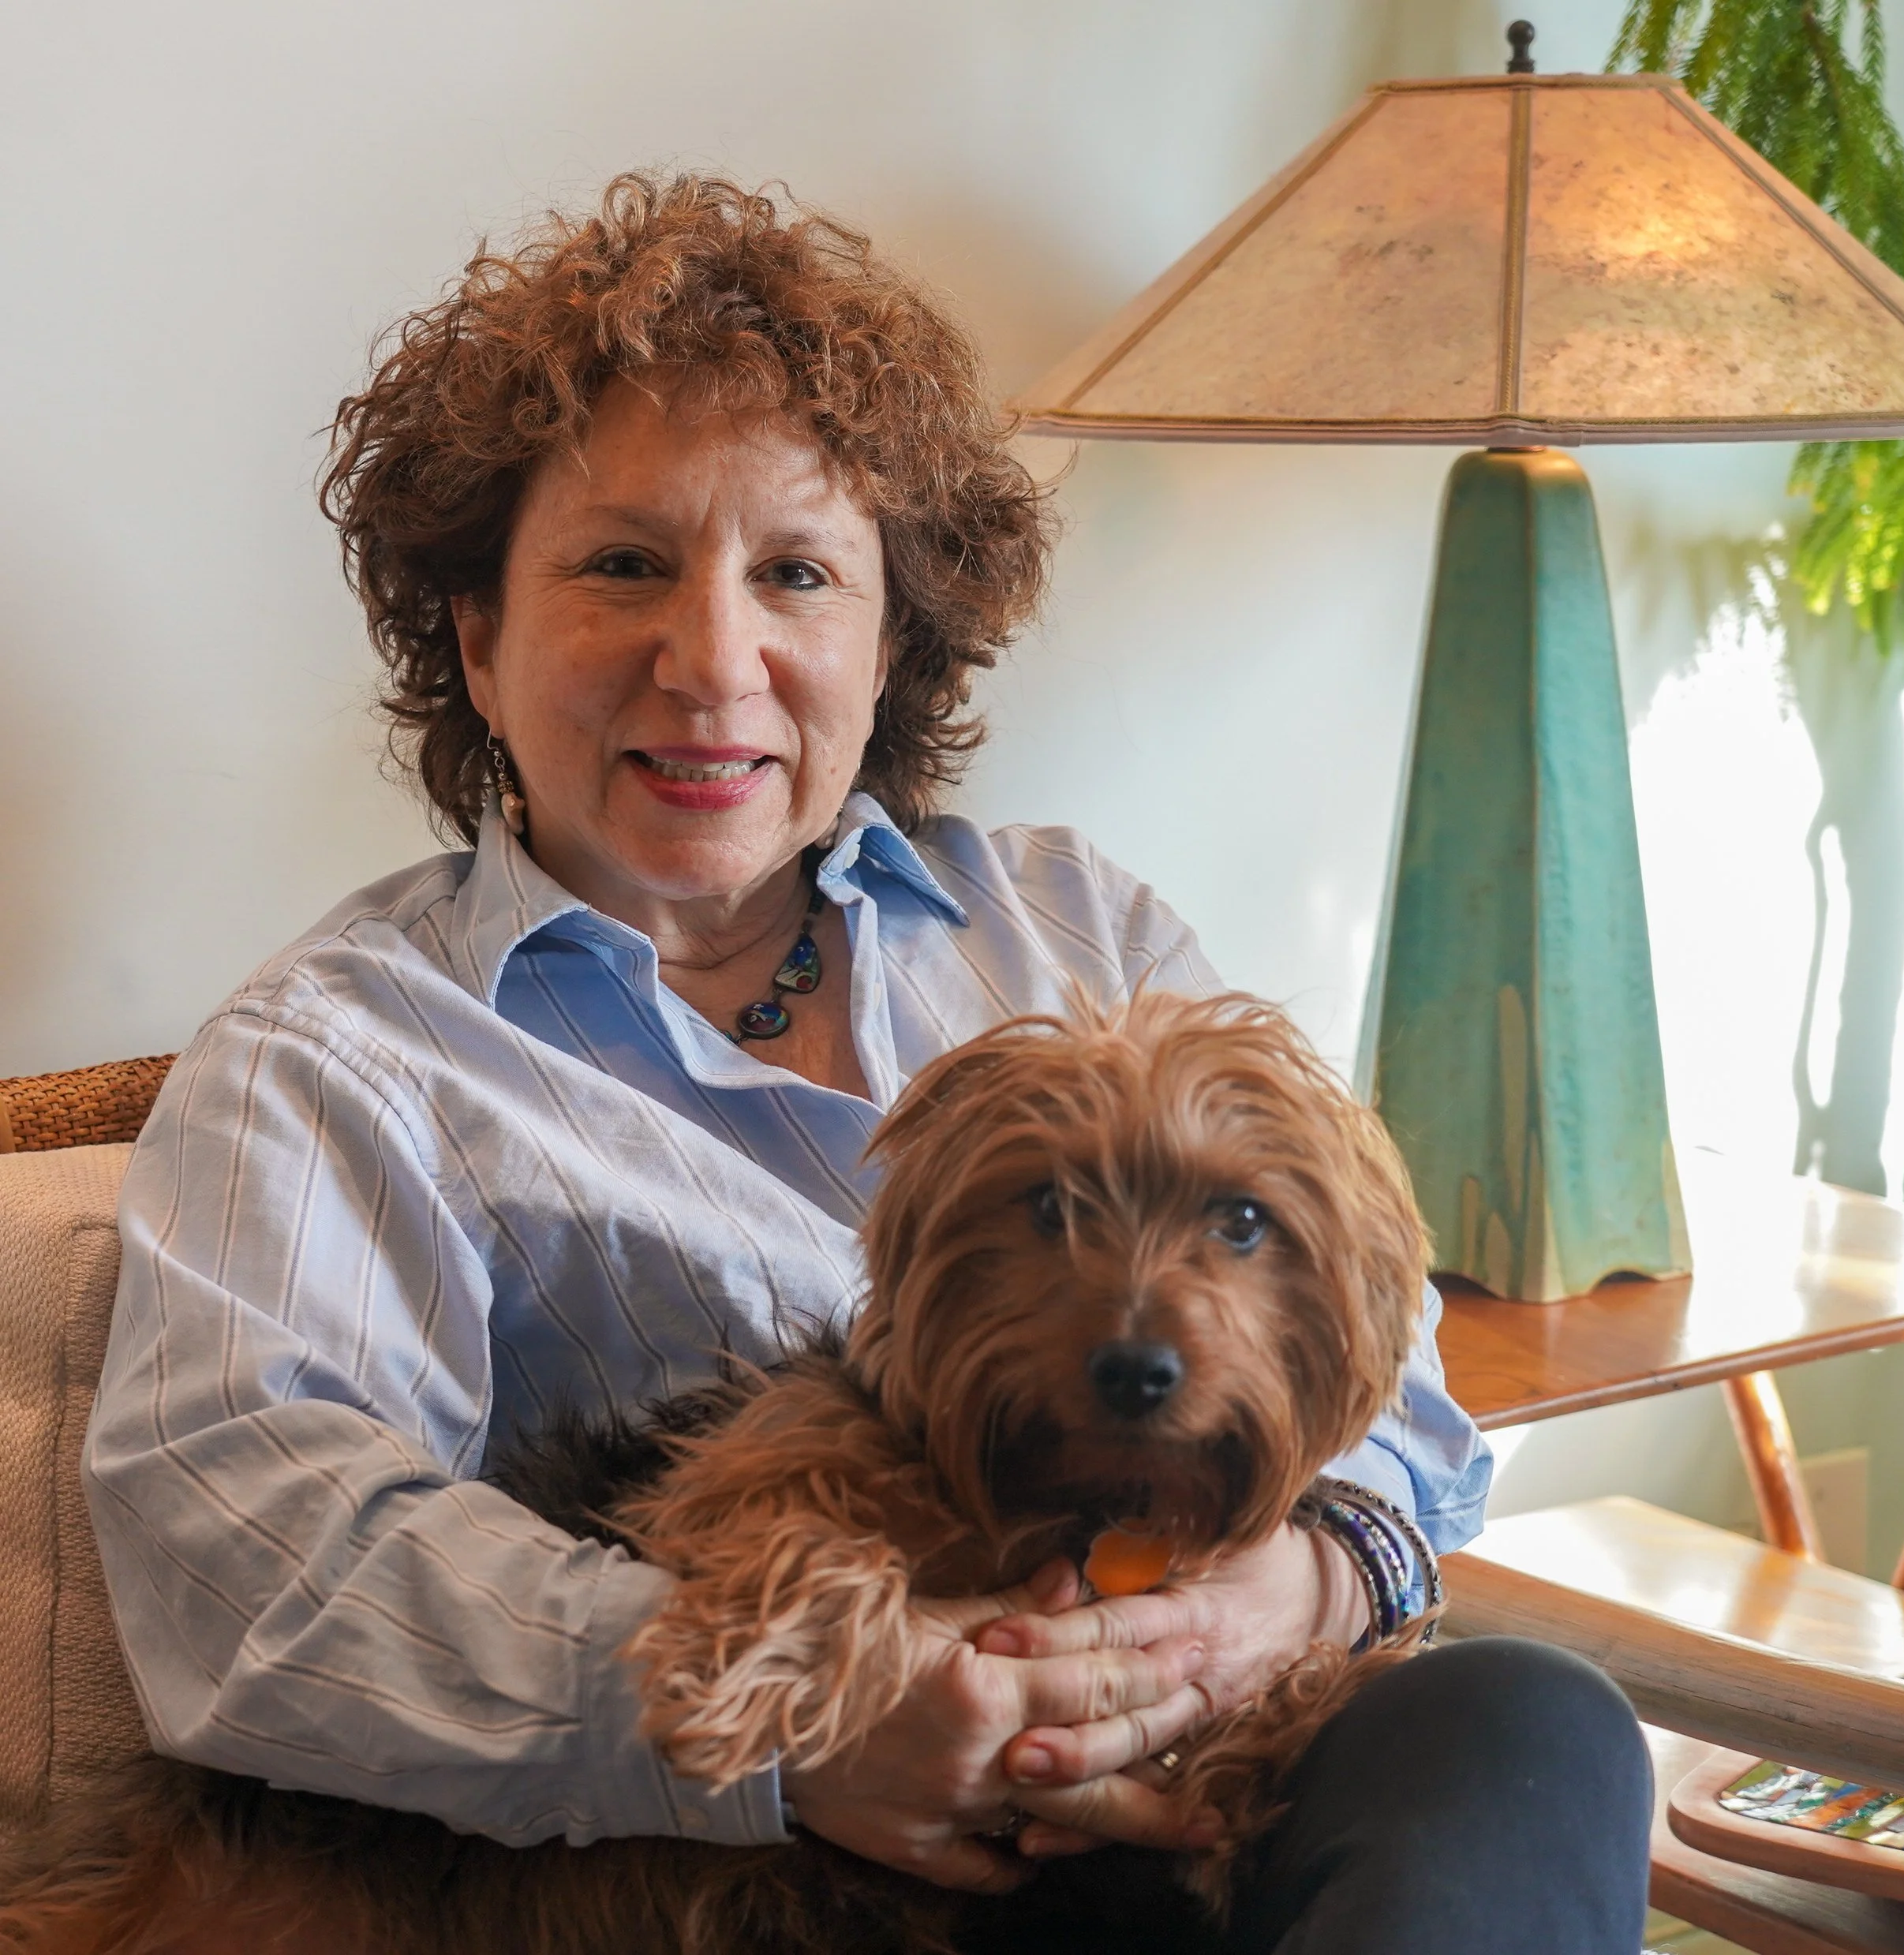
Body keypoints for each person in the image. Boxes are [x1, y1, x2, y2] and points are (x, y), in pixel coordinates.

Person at [84, 173, 1652, 1952]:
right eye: (622, 565)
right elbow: (255, 1555)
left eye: (797, 574)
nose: (713, 660)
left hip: (1182, 1752)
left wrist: (1306, 1578)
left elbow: (1379, 1354)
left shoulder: (1070, 925)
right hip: (734, 1880)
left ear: (889, 637)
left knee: (1528, 1726)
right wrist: (790, 1725)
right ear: (478, 637)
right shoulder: (342, 1056)